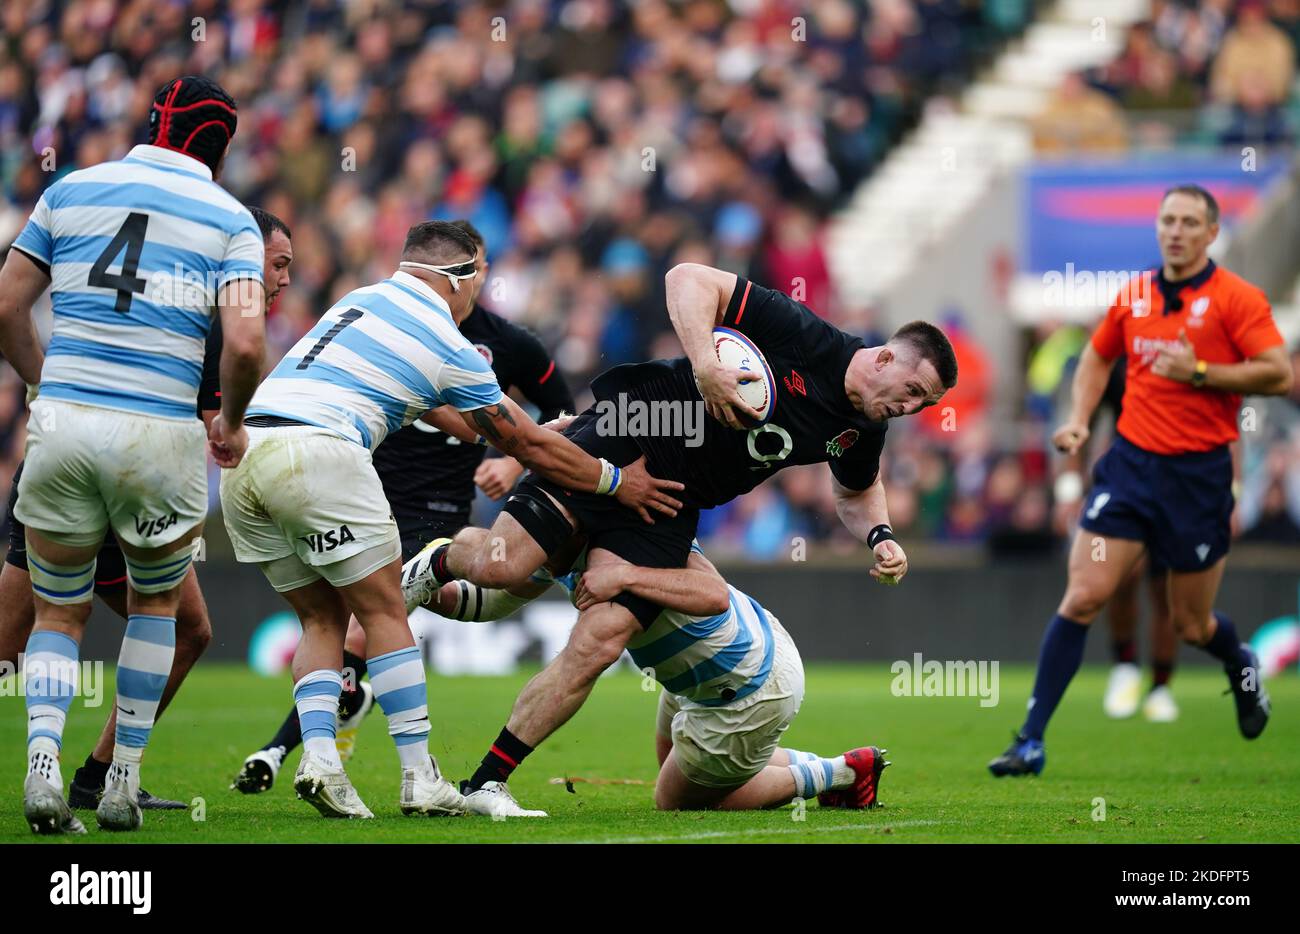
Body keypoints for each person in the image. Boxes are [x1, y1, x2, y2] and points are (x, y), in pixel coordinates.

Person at [405, 265, 956, 811]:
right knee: (504, 569)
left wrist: (880, 535)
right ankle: (432, 563)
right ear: (884, 357)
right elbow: (687, 277)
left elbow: (857, 492)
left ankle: (486, 784)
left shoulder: (865, 429)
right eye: (912, 391)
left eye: (923, 405)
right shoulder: (807, 337)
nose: (909, 409)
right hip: (628, 433)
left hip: (668, 501)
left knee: (599, 641)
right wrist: (704, 365)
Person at [217, 220, 679, 819]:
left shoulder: (359, 300)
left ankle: (322, 761)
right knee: (385, 612)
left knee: (321, 619)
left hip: (249, 456)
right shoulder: (443, 336)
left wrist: (537, 434)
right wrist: (614, 479)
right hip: (321, 455)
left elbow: (454, 416)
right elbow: (526, 448)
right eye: (478, 279)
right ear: (459, 279)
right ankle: (419, 779)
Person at [0, 75, 267, 832]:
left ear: (155, 123)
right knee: (156, 606)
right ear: (220, 146)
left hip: (66, 423)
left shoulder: (74, 188)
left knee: (59, 610)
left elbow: (5, 305)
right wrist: (235, 421)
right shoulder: (231, 220)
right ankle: (121, 779)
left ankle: (43, 765)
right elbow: (245, 341)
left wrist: (45, 382)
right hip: (159, 432)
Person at [990, 185, 1293, 777]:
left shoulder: (1238, 299)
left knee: (1190, 623)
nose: (1175, 231)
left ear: (1211, 233)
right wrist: (1079, 421)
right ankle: (1029, 739)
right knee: (1084, 595)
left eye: (1188, 222)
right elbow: (1099, 357)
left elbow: (1278, 374)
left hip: (1199, 477)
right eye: (1167, 221)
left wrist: (1201, 372)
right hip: (1129, 469)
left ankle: (1240, 660)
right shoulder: (1133, 294)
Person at [406, 539, 889, 815]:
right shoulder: (566, 526)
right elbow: (492, 596)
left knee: (676, 801)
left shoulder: (636, 527)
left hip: (741, 688)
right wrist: (419, 585)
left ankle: (838, 772)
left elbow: (710, 593)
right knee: (676, 767)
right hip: (703, 673)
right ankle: (832, 768)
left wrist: (625, 578)